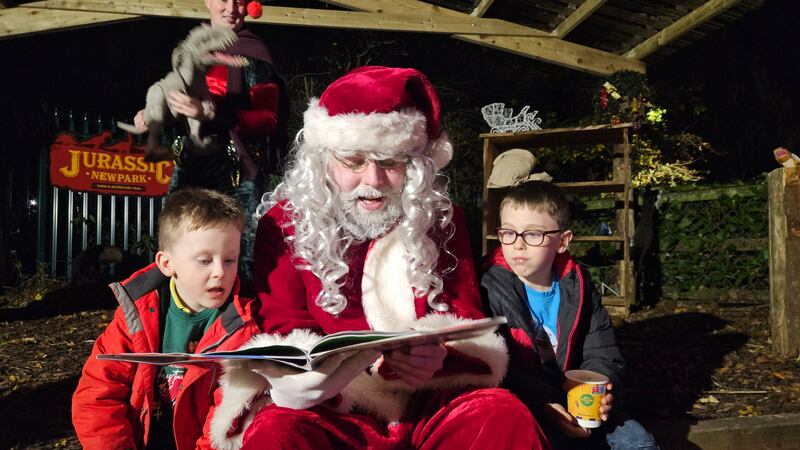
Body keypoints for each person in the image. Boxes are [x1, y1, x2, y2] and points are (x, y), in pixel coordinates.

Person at [208, 66, 550, 450]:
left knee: (500, 415)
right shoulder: (284, 223)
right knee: (277, 432)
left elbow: (465, 319)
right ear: (324, 159)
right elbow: (282, 323)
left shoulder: (441, 218)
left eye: (390, 162)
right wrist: (308, 376)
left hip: (429, 399)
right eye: (353, 161)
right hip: (333, 405)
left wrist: (439, 358)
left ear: (415, 164)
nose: (372, 179)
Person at [71, 187, 261, 450]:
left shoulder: (242, 325)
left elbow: (228, 415)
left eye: (230, 260)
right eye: (204, 260)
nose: (220, 272)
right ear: (167, 263)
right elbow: (98, 393)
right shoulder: (135, 313)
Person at [481, 180, 658, 450]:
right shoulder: (488, 288)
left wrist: (605, 392)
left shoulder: (579, 287)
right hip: (524, 407)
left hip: (578, 403)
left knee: (638, 442)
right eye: (508, 232)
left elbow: (603, 351)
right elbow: (491, 368)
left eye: (533, 235)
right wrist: (541, 405)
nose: (517, 244)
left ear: (562, 241)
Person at [133, 0, 289, 293]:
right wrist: (152, 115)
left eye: (240, 1)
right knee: (181, 244)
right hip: (191, 165)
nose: (231, 8)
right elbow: (176, 96)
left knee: (240, 253)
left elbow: (268, 118)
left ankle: (239, 325)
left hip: (237, 171)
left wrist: (212, 113)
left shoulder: (253, 53)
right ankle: (180, 321)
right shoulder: (191, 47)